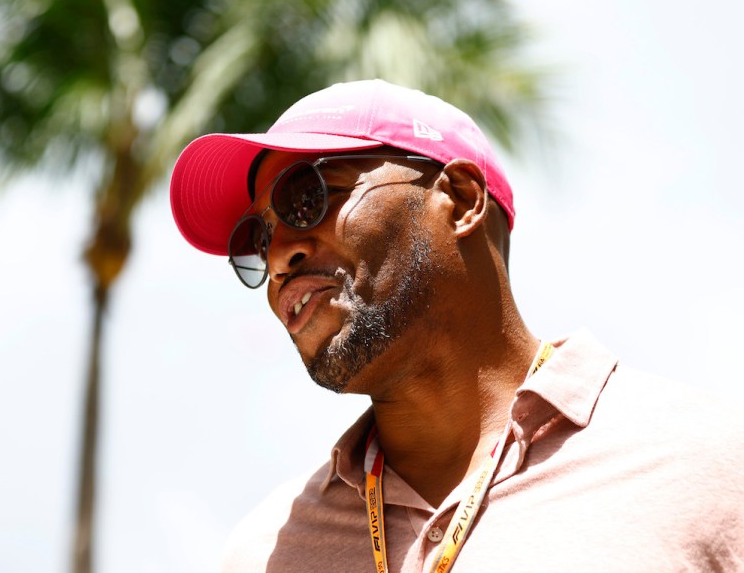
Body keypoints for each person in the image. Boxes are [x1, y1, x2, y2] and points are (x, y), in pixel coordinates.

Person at [169, 79, 744, 572]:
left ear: (462, 199)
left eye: (307, 197)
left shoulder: (708, 467)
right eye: (257, 241)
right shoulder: (266, 551)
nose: (278, 257)